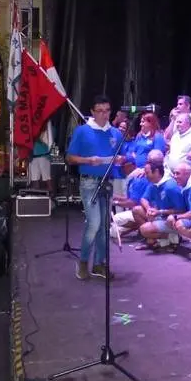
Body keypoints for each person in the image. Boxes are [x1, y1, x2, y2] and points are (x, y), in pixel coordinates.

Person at [66, 95, 123, 280]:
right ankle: (83, 262)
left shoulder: (115, 133)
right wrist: (88, 160)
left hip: (107, 182)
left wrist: (122, 160)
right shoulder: (82, 131)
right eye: (99, 111)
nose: (104, 114)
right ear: (92, 112)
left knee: (104, 226)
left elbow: (120, 158)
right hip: (89, 182)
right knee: (94, 223)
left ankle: (99, 264)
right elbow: (70, 157)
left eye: (107, 110)